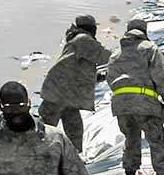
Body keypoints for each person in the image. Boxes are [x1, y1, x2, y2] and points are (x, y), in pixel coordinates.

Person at [107, 17, 164, 175]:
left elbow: (110, 80)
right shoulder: (150, 49)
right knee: (156, 144)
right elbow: (162, 78)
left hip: (121, 105)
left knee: (131, 143)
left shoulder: (115, 54)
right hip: (145, 104)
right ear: (144, 32)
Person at [37, 14, 112, 149]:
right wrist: (129, 57)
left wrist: (101, 76)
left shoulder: (77, 41)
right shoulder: (83, 39)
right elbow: (105, 57)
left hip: (67, 95)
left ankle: (74, 155)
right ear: (91, 28)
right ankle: (35, 154)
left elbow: (79, 73)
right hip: (59, 93)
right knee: (45, 128)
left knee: (75, 129)